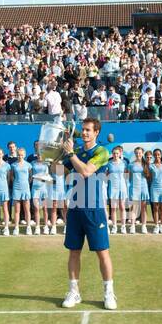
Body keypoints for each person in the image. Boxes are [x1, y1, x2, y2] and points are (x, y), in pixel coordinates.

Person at [59, 117, 116, 311]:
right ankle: (74, 292)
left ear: (96, 132)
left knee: (102, 253)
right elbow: (58, 171)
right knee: (74, 252)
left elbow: (85, 171)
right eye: (83, 130)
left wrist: (71, 153)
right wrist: (53, 155)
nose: (84, 133)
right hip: (75, 208)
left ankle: (109, 292)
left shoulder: (101, 152)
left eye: (88, 130)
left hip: (94, 209)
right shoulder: (78, 151)